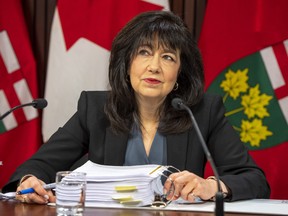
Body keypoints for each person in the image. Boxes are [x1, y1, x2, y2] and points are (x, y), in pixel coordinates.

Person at [2, 10, 270, 204]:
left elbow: (254, 179)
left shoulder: (202, 111)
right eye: (144, 52)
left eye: (167, 57)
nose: (154, 66)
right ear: (126, 63)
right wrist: (29, 181)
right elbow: (38, 166)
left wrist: (211, 185)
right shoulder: (95, 108)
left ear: (180, 73)